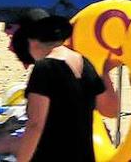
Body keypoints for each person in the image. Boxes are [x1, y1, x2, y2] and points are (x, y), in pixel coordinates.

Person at [17, 13, 118, 162]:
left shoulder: (44, 69)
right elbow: (111, 110)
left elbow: (35, 125)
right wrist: (104, 72)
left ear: (32, 42)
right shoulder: (85, 64)